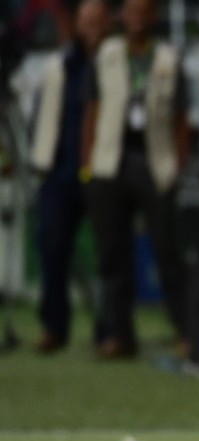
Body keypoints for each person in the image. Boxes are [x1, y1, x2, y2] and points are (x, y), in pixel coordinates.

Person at [82, 0, 190, 359]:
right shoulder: (108, 54)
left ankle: (185, 331)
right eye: (131, 12)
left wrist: (178, 165)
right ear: (121, 17)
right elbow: (92, 111)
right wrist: (88, 164)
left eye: (145, 12)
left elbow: (180, 119)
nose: (138, 19)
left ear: (154, 18)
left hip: (153, 162)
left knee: (166, 251)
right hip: (111, 162)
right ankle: (119, 335)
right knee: (113, 256)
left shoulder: (168, 59)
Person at [29, 0, 110, 353]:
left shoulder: (115, 64)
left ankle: (108, 331)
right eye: (85, 22)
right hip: (60, 170)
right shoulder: (58, 66)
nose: (90, 29)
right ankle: (54, 326)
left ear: (108, 24)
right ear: (76, 24)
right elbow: (40, 116)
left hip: (103, 169)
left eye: (97, 22)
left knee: (110, 255)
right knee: (51, 249)